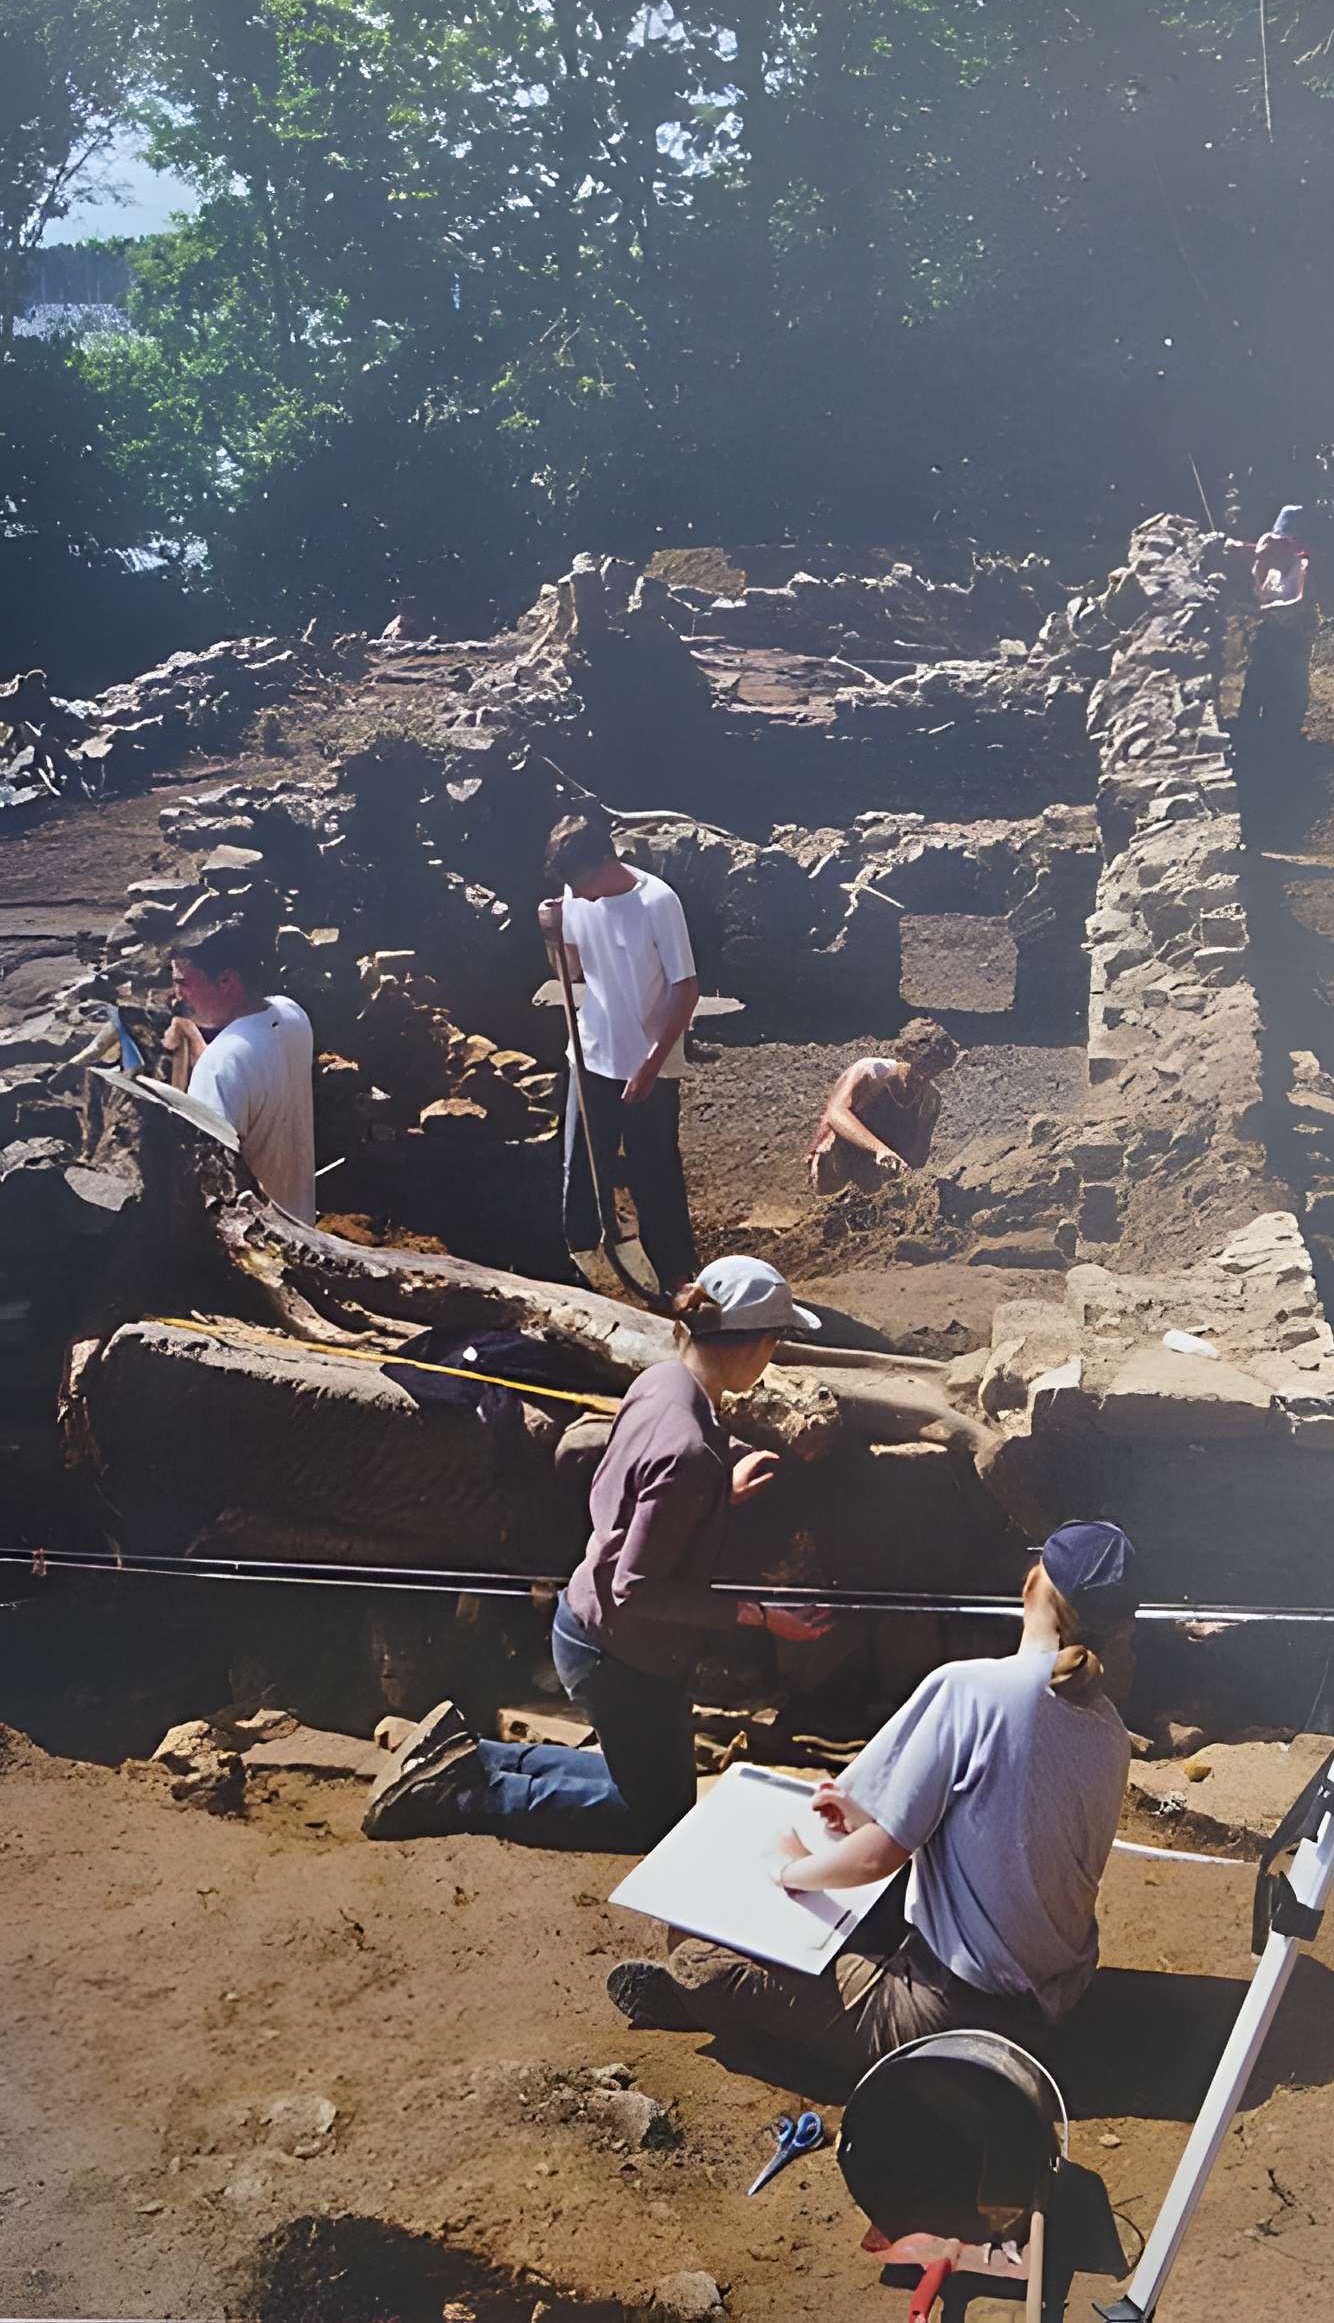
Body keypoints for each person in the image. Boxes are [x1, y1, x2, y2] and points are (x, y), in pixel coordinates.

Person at [601, 1521, 1139, 2087]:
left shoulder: (973, 1689)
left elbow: (875, 1858)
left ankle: (711, 2003)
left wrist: (788, 1866)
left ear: (1033, 1585)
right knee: (855, 1912)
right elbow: (1002, 1825)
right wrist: (866, 1817)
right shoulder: (1110, 1731)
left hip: (953, 2011)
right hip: (1053, 1996)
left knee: (696, 1951)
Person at [361, 1256, 834, 1853]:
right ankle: (468, 1792)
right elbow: (636, 1586)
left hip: (586, 1618)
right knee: (655, 1818)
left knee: (656, 1788)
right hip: (620, 1652)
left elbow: (634, 1489)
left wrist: (718, 1494)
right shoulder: (689, 1449)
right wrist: (759, 1614)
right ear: (755, 1345)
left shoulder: (661, 1382)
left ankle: (470, 1753)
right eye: (775, 1342)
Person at [538, 810, 701, 1296]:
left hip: (649, 1061)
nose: (578, 894)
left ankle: (676, 1275)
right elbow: (571, 972)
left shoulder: (657, 902)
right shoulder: (573, 893)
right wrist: (551, 932)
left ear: (604, 862)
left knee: (656, 1171)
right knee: (583, 1168)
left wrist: (651, 1065)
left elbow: (685, 988)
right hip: (589, 1053)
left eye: (582, 882)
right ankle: (582, 1261)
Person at [169, 918, 316, 1224]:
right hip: (301, 1224)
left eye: (183, 982)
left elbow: (209, 1185)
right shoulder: (290, 1014)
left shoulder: (221, 1066)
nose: (176, 995)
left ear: (226, 981)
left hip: (257, 1247)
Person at [808, 1018, 959, 1196]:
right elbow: (836, 1112)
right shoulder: (871, 1071)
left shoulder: (930, 1100)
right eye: (923, 1064)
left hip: (878, 1176)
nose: (924, 1076)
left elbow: (918, 1154)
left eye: (935, 1070)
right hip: (837, 1160)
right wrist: (879, 1149)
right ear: (908, 1054)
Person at [1233, 504, 1316, 749]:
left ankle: (1285, 735)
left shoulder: (1302, 566)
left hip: (1294, 633)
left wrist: (1267, 610)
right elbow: (1255, 586)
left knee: (1289, 681)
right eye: (1282, 541)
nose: (1286, 546)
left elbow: (1299, 601)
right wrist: (1260, 560)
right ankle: (1248, 732)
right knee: (1257, 678)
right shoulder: (1269, 560)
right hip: (1266, 631)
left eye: (1291, 542)